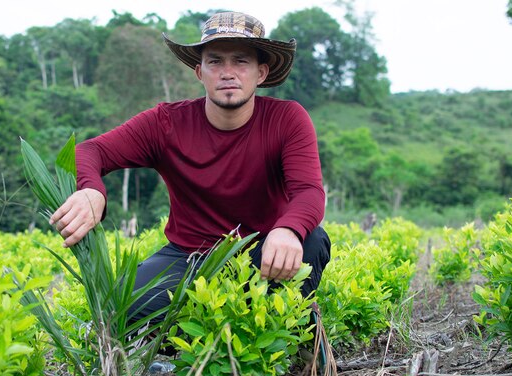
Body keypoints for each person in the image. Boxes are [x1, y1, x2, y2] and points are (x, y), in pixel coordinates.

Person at [49, 11, 331, 326]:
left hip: (263, 252)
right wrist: (91, 190)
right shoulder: (166, 123)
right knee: (122, 308)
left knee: (312, 241)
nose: (228, 73)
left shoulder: (287, 119)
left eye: (241, 61)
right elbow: (90, 150)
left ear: (261, 73)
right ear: (199, 72)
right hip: (189, 258)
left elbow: (308, 191)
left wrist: (288, 229)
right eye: (215, 62)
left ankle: (288, 338)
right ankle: (179, 350)